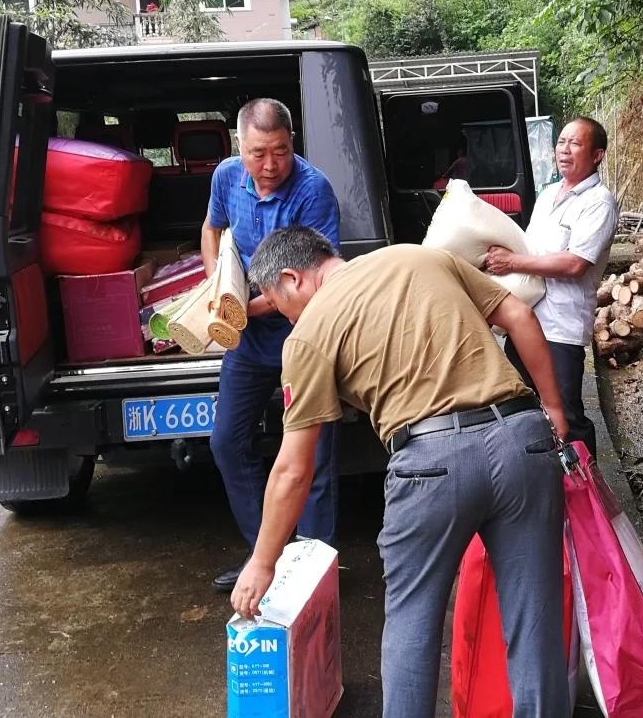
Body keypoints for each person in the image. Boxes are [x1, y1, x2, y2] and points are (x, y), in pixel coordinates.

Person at [231, 227, 571, 718]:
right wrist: (554, 410)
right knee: (535, 622)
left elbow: (292, 469)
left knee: (412, 624)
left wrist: (263, 562)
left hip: (431, 465)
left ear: (292, 278)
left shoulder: (307, 336)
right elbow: (517, 313)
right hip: (524, 439)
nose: (286, 318)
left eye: (278, 305)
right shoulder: (420, 255)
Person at [202, 98, 341, 592]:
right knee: (226, 442)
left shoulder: (312, 190)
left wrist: (234, 310)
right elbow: (212, 228)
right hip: (247, 344)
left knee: (313, 459)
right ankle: (268, 557)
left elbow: (308, 283)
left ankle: (315, 569)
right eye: (258, 153)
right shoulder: (225, 177)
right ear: (240, 146)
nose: (268, 165)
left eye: (279, 152)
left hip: (301, 338)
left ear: (291, 144)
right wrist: (216, 285)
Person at [485, 116, 618, 458]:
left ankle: (589, 503)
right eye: (561, 142)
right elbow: (530, 250)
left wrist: (512, 262)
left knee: (567, 417)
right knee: (525, 411)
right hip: (526, 321)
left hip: (560, 328)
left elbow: (575, 263)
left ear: (597, 155)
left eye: (575, 143)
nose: (564, 149)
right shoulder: (546, 195)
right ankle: (549, 496)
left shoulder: (599, 202)